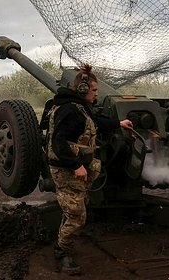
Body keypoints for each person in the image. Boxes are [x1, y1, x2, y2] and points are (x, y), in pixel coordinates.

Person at [46, 64, 132, 275]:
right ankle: (62, 252)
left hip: (75, 169)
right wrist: (76, 166)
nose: (97, 94)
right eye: (94, 90)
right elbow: (58, 144)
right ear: (83, 90)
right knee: (77, 216)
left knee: (76, 209)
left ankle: (65, 240)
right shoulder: (69, 110)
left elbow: (94, 123)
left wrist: (118, 123)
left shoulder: (79, 108)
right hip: (66, 171)